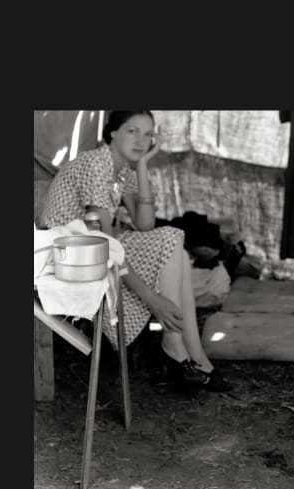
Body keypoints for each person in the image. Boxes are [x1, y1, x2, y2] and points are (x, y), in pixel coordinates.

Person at [43, 110, 232, 392]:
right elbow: (105, 244)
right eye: (132, 131)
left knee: (176, 251)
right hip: (64, 257)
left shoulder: (123, 171)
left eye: (148, 134)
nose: (141, 140)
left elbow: (145, 224)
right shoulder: (96, 164)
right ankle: (178, 346)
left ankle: (193, 355)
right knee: (172, 239)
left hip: (87, 249)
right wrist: (151, 298)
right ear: (113, 133)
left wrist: (142, 165)